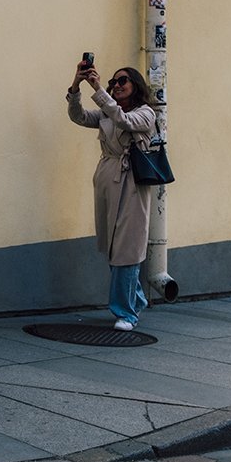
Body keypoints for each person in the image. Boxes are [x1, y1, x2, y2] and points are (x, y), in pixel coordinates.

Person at [67, 61, 157, 331]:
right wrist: (76, 85)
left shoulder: (146, 113)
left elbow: (124, 120)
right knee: (112, 245)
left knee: (127, 248)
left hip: (131, 181)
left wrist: (98, 89)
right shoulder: (106, 113)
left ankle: (126, 313)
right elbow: (79, 116)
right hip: (107, 179)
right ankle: (136, 299)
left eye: (123, 81)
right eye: (114, 82)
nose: (116, 85)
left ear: (135, 86)